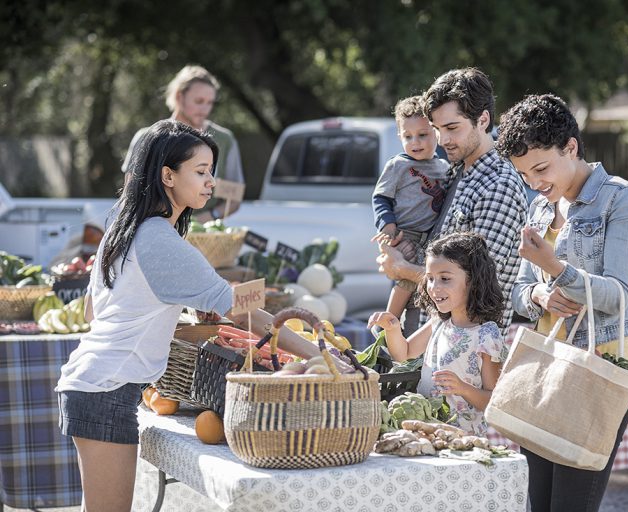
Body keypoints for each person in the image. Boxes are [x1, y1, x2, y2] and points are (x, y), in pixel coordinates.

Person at [54, 119, 318, 512]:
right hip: (106, 389)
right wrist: (317, 354)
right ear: (168, 176)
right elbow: (242, 312)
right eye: (201, 171)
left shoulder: (124, 228)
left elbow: (95, 310)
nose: (211, 182)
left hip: (92, 382)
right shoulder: (159, 238)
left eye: (211, 171)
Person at [496, 93, 628, 512]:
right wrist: (539, 293)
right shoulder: (540, 207)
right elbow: (520, 291)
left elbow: (620, 297)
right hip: (546, 366)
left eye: (541, 169)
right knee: (538, 504)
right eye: (524, 174)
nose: (535, 183)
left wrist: (556, 268)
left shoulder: (621, 199)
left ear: (570, 147)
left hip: (597, 367)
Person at [375, 67, 528, 347]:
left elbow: (477, 286)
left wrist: (402, 269)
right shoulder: (454, 170)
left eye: (452, 128)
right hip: (430, 340)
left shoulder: (498, 186)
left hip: (466, 356)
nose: (443, 140)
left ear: (483, 120)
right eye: (437, 129)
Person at [368, 231, 504, 435]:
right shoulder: (439, 322)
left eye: (445, 279)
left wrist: (463, 388)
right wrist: (392, 328)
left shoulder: (487, 336)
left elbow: (494, 401)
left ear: (473, 280)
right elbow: (404, 354)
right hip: (428, 430)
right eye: (430, 278)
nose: (434, 287)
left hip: (462, 439)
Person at [122, 65, 244, 222]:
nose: (205, 109)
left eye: (210, 103)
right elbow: (130, 192)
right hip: (156, 225)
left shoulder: (225, 140)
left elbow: (233, 198)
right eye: (199, 101)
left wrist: (207, 218)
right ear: (179, 97)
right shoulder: (147, 137)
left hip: (204, 231)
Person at [371, 95, 449, 334]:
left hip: (430, 240)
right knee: (407, 280)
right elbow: (381, 198)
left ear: (436, 132)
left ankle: (408, 335)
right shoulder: (398, 165)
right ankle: (387, 324)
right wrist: (388, 226)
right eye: (408, 136)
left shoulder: (445, 168)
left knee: (420, 294)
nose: (415, 142)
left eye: (423, 135)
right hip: (404, 235)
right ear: (400, 137)